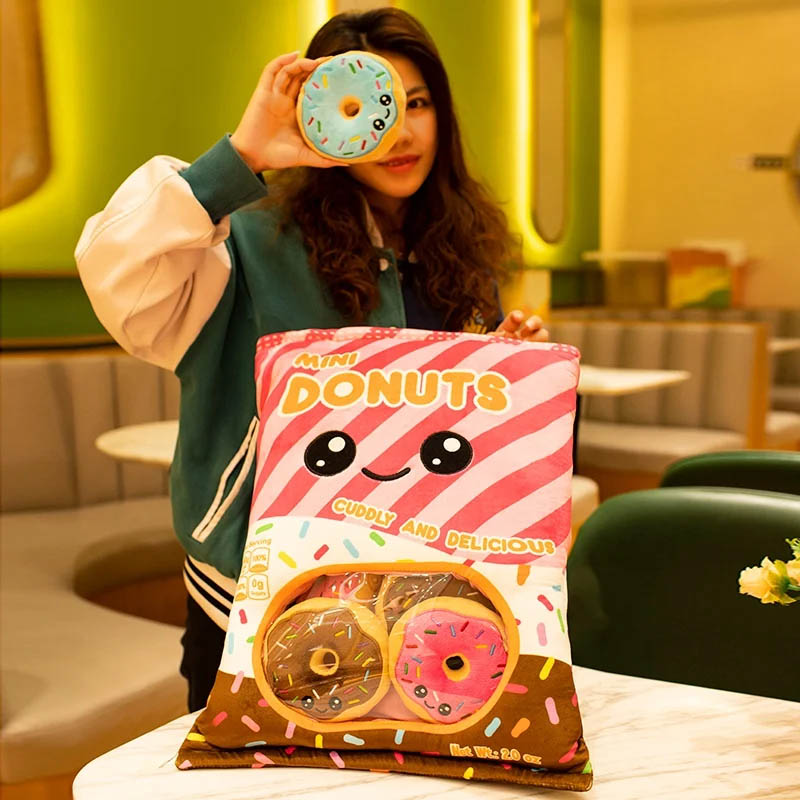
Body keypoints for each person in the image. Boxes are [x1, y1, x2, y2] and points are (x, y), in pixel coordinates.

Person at [75, 7, 548, 712]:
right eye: (373, 108)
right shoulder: (247, 242)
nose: (401, 131)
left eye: (418, 104)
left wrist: (500, 372)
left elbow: (440, 441)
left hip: (415, 600)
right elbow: (118, 273)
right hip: (257, 596)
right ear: (323, 119)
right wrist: (242, 157)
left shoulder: (461, 248)